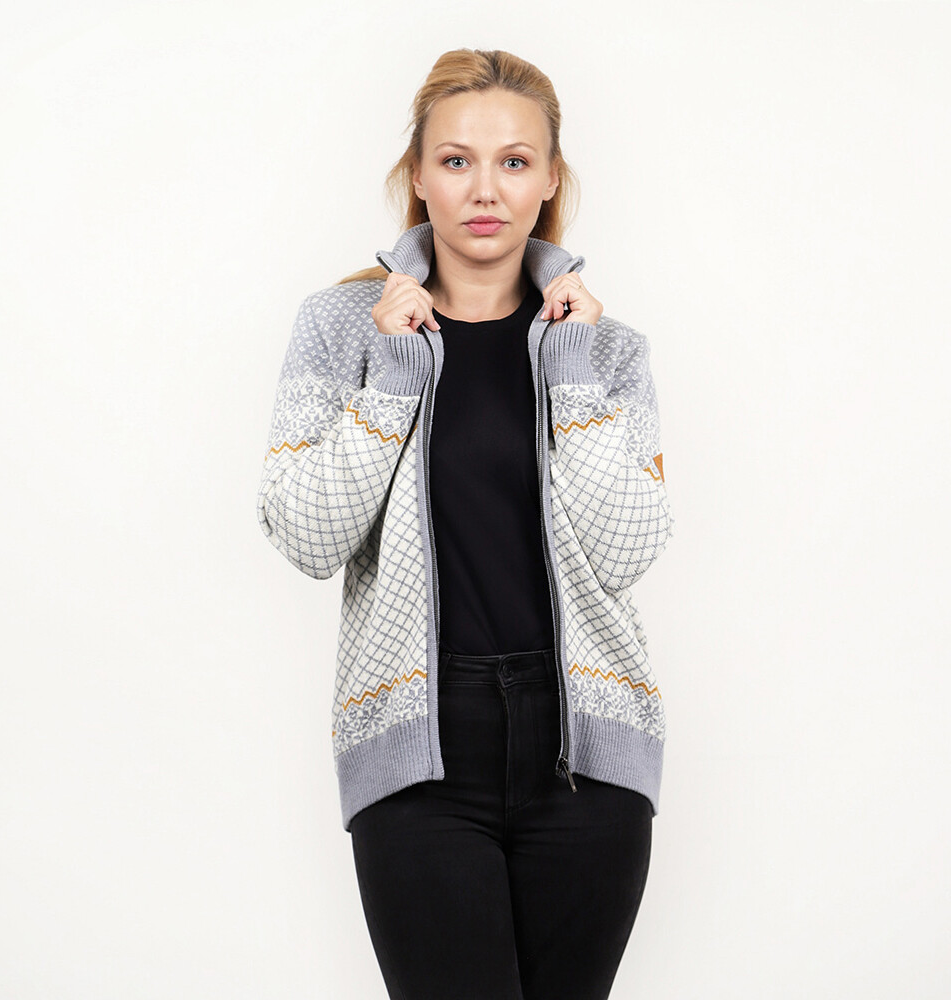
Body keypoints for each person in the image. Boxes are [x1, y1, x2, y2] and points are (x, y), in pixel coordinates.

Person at [256, 47, 675, 1000]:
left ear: (551, 178)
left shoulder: (608, 351)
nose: (485, 189)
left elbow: (627, 548)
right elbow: (305, 534)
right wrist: (392, 380)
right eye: (456, 160)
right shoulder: (342, 329)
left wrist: (570, 371)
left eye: (514, 161)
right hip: (418, 743)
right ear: (417, 174)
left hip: (587, 751)